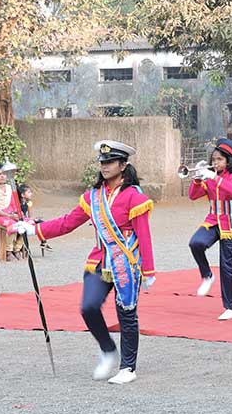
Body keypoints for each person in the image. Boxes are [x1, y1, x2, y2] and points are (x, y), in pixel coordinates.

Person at [15, 141, 155, 384]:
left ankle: (128, 367)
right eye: (102, 162)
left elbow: (144, 234)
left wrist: (149, 269)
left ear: (123, 165)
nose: (105, 166)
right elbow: (67, 223)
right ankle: (108, 349)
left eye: (110, 162)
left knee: (127, 314)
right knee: (88, 307)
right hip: (100, 260)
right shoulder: (93, 197)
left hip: (127, 262)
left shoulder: (134, 197)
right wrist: (34, 229)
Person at [188, 139, 232, 320]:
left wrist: (215, 177)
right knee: (196, 243)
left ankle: (230, 307)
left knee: (227, 266)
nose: (215, 163)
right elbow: (193, 196)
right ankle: (207, 275)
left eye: (220, 160)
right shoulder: (210, 176)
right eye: (213, 159)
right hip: (213, 221)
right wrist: (197, 180)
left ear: (229, 161)